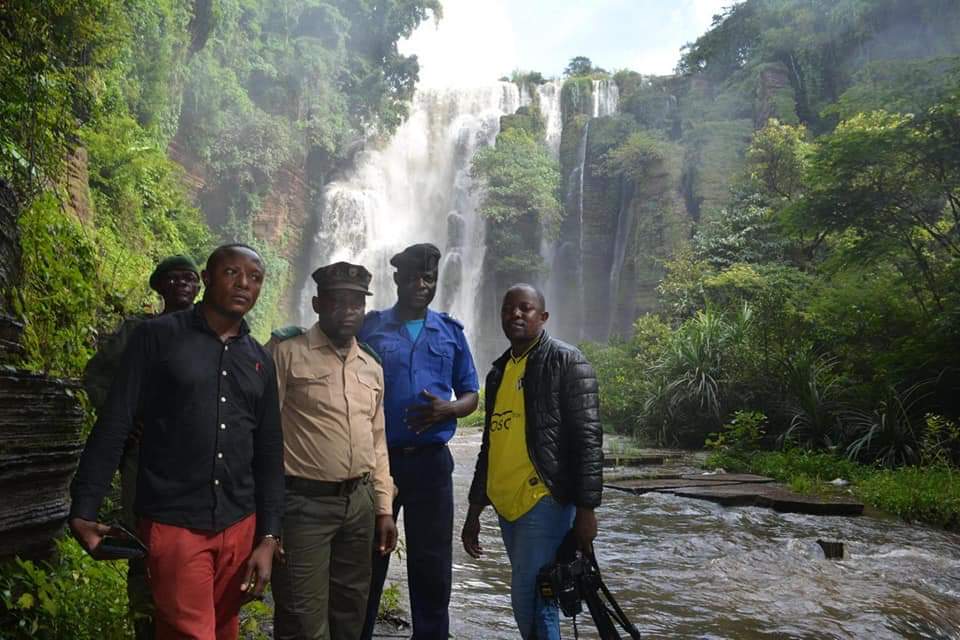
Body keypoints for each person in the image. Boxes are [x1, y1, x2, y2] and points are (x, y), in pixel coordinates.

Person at [69, 243, 284, 640]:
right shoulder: (156, 337)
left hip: (240, 525)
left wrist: (269, 536)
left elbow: (269, 451)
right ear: (206, 278)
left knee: (222, 630)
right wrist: (84, 507)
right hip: (174, 523)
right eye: (231, 273)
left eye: (254, 278)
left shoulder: (259, 360)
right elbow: (115, 422)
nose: (244, 284)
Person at [461, 283, 602, 640]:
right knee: (536, 597)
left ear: (543, 316)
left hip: (544, 501)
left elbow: (588, 440)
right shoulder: (497, 373)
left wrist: (587, 509)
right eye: (509, 309)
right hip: (507, 507)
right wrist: (475, 509)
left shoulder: (568, 361)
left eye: (525, 308)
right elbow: (491, 444)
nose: (516, 314)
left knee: (533, 599)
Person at [269, 261, 397, 640]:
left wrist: (383, 507)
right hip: (303, 505)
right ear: (316, 304)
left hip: (358, 506)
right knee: (302, 619)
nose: (347, 312)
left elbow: (378, 442)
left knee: (350, 613)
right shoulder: (287, 352)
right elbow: (262, 434)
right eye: (337, 302)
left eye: (356, 304)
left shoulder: (371, 366)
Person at [360, 243, 480, 640]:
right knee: (369, 556)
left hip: (431, 463)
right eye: (412, 278)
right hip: (380, 461)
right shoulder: (370, 328)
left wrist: (449, 410)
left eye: (428, 278)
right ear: (396, 279)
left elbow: (470, 393)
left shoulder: (450, 332)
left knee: (432, 562)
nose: (421, 285)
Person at [81, 254, 201, 640]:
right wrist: (125, 418)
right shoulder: (137, 330)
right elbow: (96, 375)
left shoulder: (209, 333)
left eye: (191, 278)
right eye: (175, 279)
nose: (184, 284)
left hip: (195, 458)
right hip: (143, 456)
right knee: (143, 540)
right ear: (160, 286)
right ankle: (146, 625)